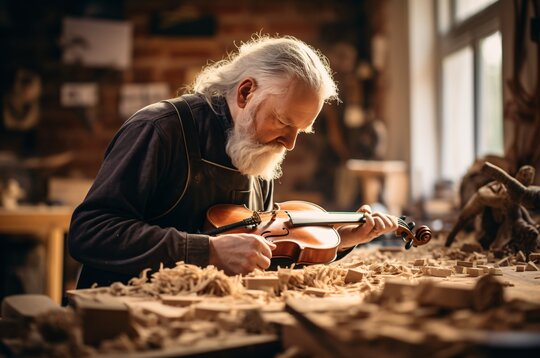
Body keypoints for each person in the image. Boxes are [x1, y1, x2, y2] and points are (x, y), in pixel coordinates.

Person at [68, 35, 398, 288]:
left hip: (204, 320)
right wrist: (205, 252)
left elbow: (265, 253)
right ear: (245, 93)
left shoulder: (262, 151)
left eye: (301, 130)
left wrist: (338, 239)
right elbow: (89, 233)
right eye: (283, 122)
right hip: (123, 315)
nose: (290, 143)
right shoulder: (159, 129)